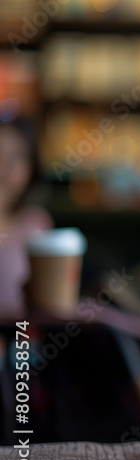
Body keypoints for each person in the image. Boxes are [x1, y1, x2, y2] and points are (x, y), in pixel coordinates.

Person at [0, 117, 52, 318]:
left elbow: (46, 310)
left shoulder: (35, 225)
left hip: (19, 342)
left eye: (15, 159)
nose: (3, 170)